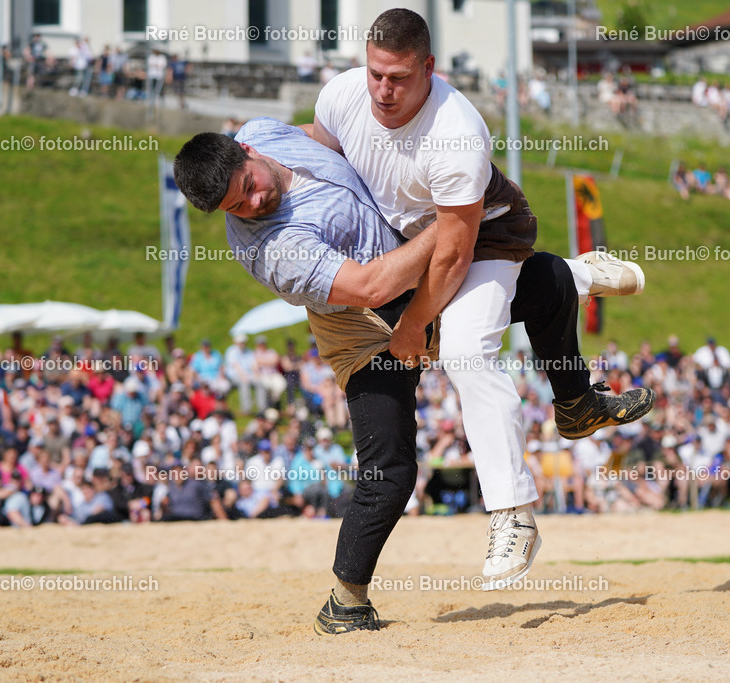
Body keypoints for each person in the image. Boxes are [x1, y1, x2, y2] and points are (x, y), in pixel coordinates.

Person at [173, 114, 652, 633]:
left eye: (248, 187)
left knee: (549, 280)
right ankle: (346, 601)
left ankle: (578, 402)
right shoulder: (270, 248)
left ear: (246, 149)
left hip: (415, 279)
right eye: (236, 208)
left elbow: (336, 137)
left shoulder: (265, 131)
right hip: (359, 325)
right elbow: (371, 286)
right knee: (390, 471)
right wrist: (455, 215)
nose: (252, 205)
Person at [309, 7, 650, 597]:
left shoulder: (457, 131)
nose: (383, 90)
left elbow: (453, 254)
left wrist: (413, 326)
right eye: (375, 74)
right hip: (405, 241)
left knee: (467, 350)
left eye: (399, 78)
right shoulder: (342, 95)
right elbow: (320, 164)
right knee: (464, 320)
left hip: (484, 235)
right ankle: (571, 275)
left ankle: (513, 514)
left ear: (429, 68)